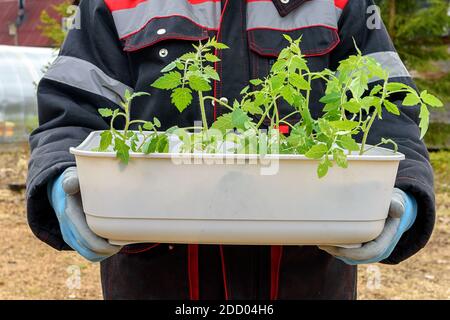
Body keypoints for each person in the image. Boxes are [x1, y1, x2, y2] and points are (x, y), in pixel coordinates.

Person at [27, 0, 435, 299]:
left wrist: (402, 192)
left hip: (305, 281)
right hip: (158, 282)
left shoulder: (342, 3)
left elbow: (389, 110)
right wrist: (61, 181)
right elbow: (72, 114)